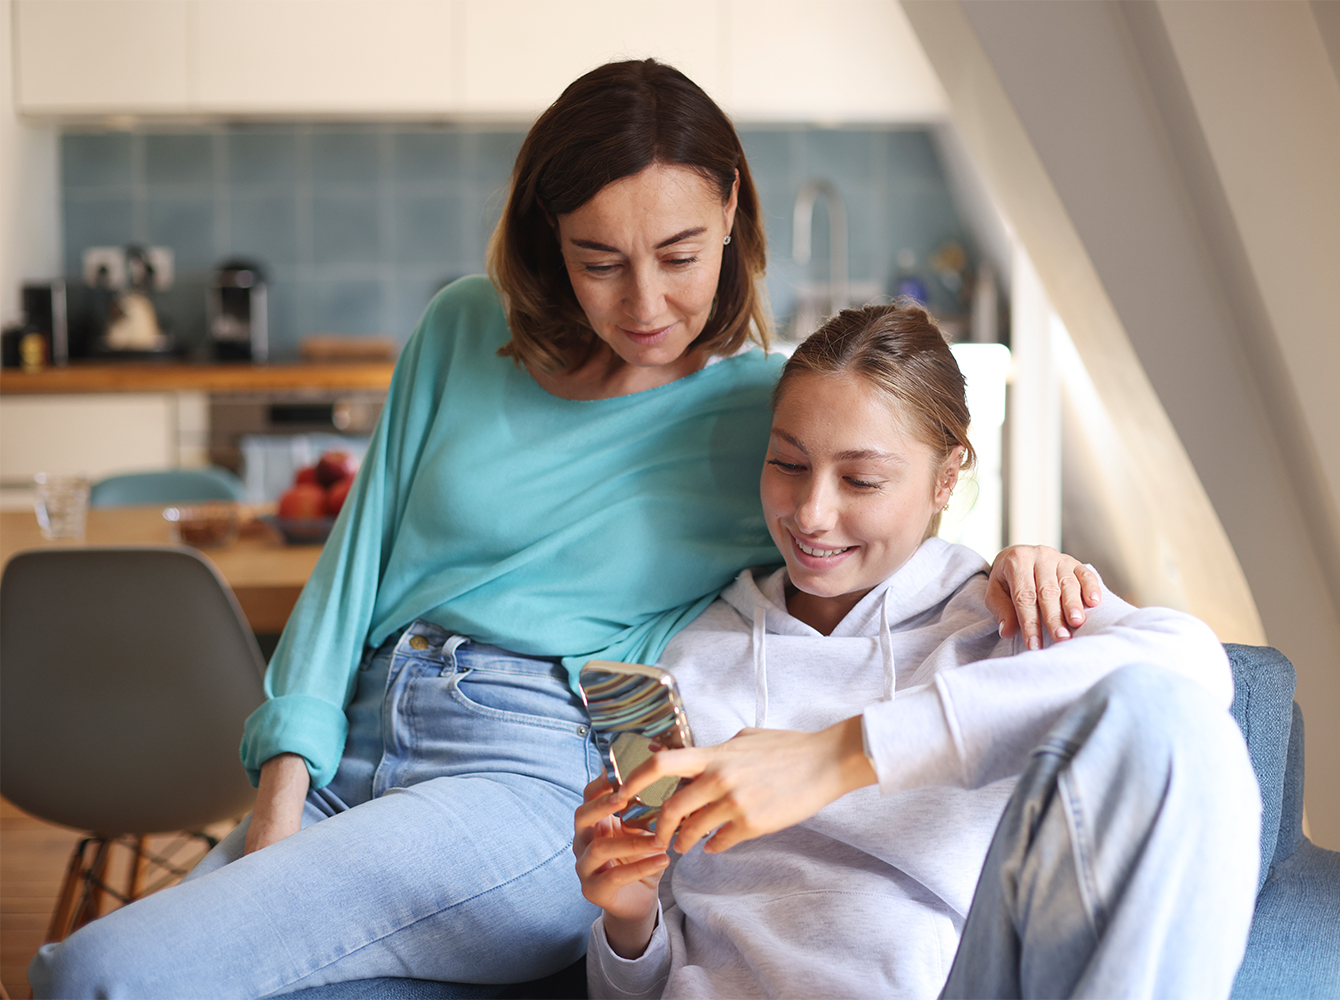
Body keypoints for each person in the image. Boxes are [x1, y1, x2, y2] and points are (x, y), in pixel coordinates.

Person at [31, 62, 1088, 999]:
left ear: (729, 209)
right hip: (355, 749)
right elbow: (347, 579)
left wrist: (1011, 561)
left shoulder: (764, 413)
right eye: (598, 260)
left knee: (95, 971)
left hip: (530, 780)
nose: (643, 303)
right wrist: (280, 798)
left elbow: (878, 511)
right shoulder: (457, 328)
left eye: (678, 255)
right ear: (549, 240)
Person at [576, 304, 1262, 1000]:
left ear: (945, 478)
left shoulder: (1006, 620)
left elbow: (1194, 672)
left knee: (1176, 723)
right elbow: (634, 987)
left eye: (861, 480)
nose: (810, 513)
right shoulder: (693, 659)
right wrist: (628, 923)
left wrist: (839, 755)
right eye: (788, 462)